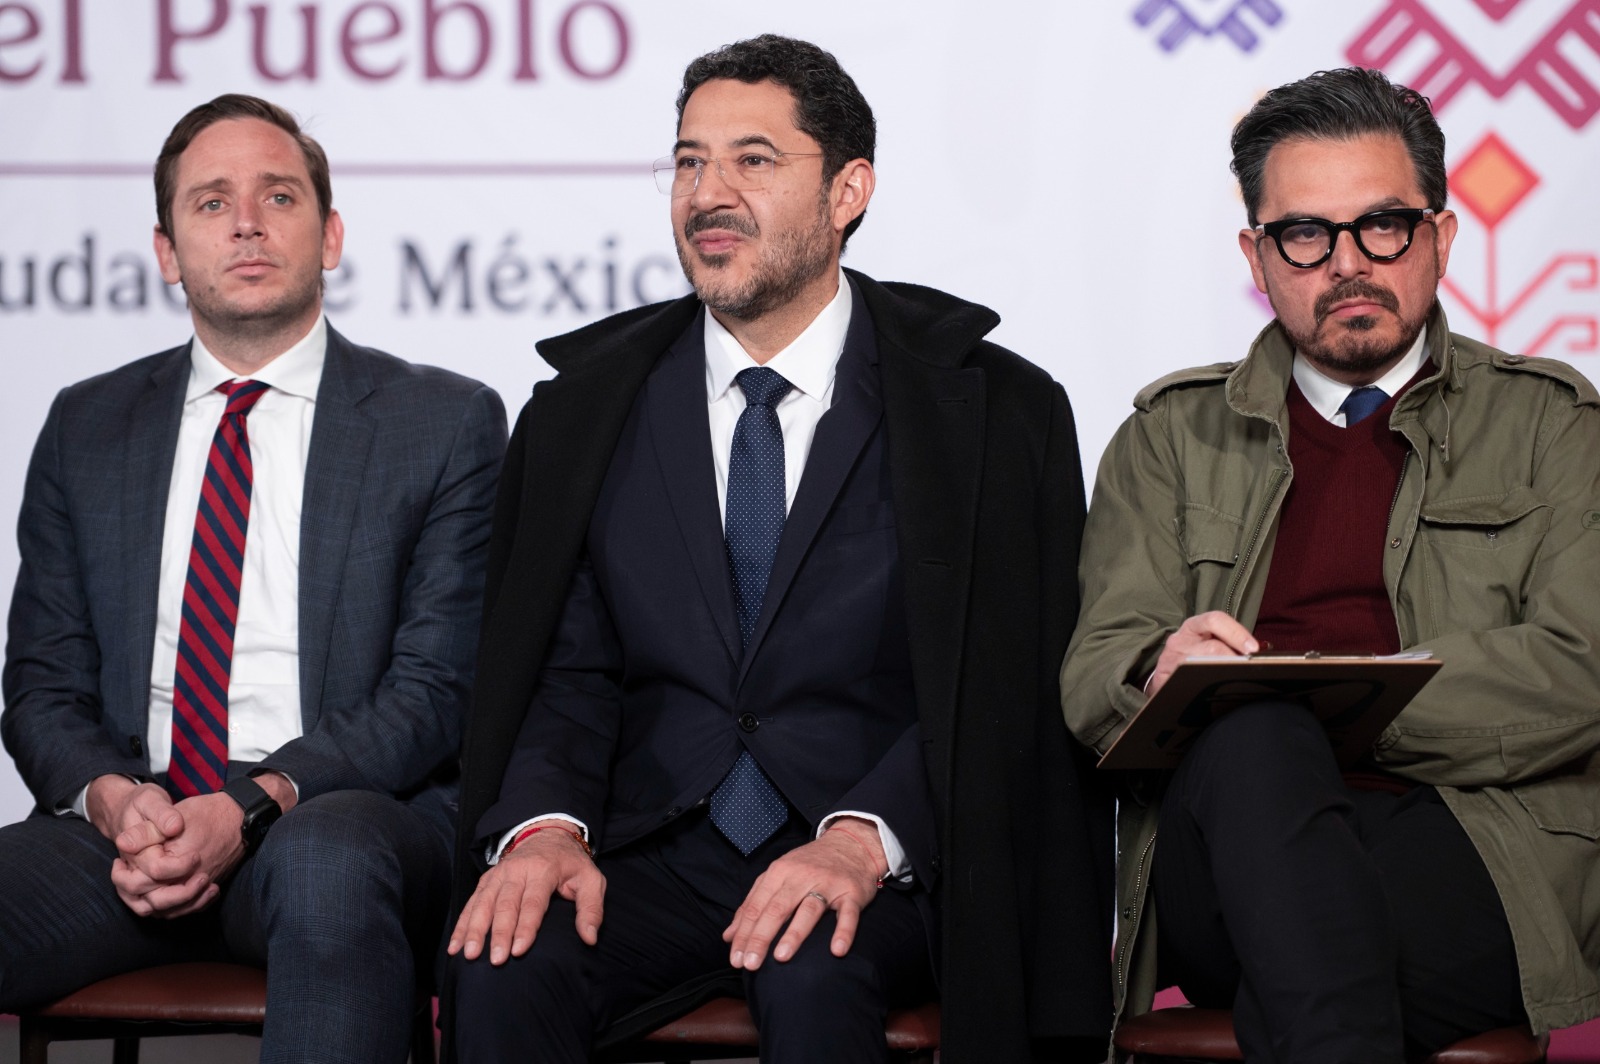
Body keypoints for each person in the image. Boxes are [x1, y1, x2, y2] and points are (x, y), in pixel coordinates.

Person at [446, 33, 1112, 1064]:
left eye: (752, 160)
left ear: (848, 190)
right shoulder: (584, 410)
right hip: (652, 849)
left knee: (814, 959)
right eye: (688, 162)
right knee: (505, 953)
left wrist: (862, 839)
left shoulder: (992, 411)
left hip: (885, 852)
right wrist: (545, 829)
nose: (707, 194)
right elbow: (564, 672)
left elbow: (1001, 679)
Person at [1061, 67, 1600, 1063]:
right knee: (1253, 734)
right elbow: (1093, 674)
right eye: (1305, 234)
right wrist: (1159, 668)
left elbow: (1580, 669)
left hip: (1480, 845)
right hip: (1225, 858)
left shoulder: (1554, 426)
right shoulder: (1168, 436)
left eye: (1383, 225)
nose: (1348, 263)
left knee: (1314, 949)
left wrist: (1342, 698)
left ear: (1441, 236)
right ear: (1256, 255)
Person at [0, 94, 506, 1064]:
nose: (245, 223)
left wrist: (254, 802)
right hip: (131, 832)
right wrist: (113, 800)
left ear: (330, 235)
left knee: (330, 863)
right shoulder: (86, 424)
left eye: (278, 196)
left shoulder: (443, 422)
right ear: (165, 251)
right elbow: (41, 686)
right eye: (211, 202)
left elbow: (436, 692)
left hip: (333, 813)